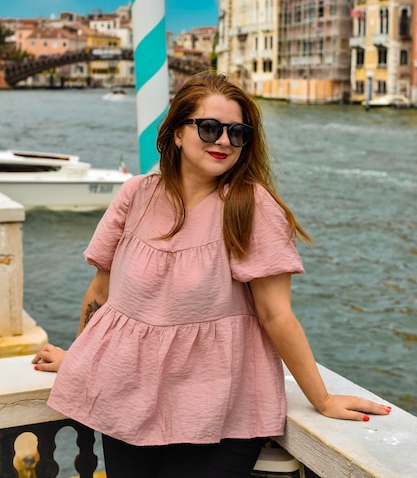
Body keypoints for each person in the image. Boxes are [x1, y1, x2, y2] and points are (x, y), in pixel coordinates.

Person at [33, 72, 391, 478]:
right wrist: (79, 359)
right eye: (209, 127)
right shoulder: (134, 195)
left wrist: (321, 398)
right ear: (177, 133)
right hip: (127, 399)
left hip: (219, 415)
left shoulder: (250, 206)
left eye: (237, 133)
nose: (223, 141)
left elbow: (277, 315)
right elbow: (102, 292)